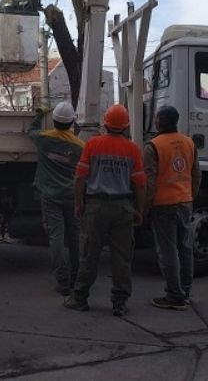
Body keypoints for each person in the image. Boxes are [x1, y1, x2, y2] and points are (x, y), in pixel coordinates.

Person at [64, 104, 146, 316]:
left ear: (105, 123)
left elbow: (80, 178)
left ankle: (79, 298)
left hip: (96, 207)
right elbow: (140, 184)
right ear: (126, 126)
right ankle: (119, 302)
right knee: (122, 258)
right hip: (123, 207)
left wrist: (78, 204)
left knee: (89, 254)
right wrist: (139, 209)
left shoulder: (92, 145)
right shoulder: (132, 149)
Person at [144, 105, 201, 310]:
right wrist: (189, 196)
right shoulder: (189, 143)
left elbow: (149, 182)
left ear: (159, 122)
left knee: (168, 251)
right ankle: (185, 291)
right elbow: (196, 175)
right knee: (185, 248)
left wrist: (145, 207)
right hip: (184, 203)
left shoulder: (153, 146)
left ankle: (174, 295)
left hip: (163, 205)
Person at [29, 101, 84, 296]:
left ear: (53, 121)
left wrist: (38, 115)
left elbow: (31, 131)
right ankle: (77, 278)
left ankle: (62, 280)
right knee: (75, 237)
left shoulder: (44, 139)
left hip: (50, 196)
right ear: (71, 123)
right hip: (71, 196)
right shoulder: (79, 146)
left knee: (56, 238)